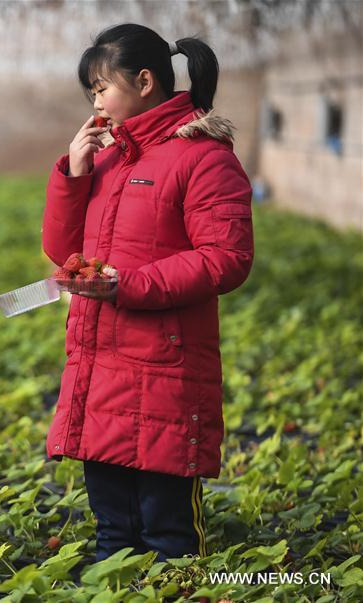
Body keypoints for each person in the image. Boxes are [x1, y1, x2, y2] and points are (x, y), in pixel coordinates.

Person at [42, 24, 253, 561]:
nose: (96, 102)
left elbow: (226, 257)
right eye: (91, 92)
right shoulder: (108, 157)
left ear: (143, 81)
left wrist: (126, 285)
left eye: (101, 88)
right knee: (111, 537)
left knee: (168, 538)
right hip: (100, 360)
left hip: (165, 364)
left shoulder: (203, 157)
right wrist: (74, 174)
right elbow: (63, 251)